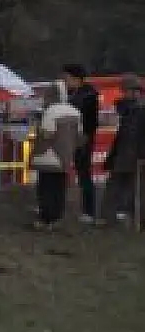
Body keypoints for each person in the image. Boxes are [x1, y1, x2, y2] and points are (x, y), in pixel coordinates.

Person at [30, 81, 85, 230]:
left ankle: (45, 218)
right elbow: (80, 138)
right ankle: (56, 218)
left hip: (48, 156)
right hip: (66, 158)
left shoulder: (50, 111)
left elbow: (47, 134)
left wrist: (38, 129)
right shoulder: (76, 112)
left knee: (45, 188)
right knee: (59, 188)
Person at [62, 64, 101, 224]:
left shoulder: (89, 95)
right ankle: (54, 205)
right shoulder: (70, 94)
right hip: (69, 136)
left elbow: (91, 121)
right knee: (62, 170)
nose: (65, 81)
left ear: (75, 78)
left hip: (83, 138)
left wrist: (84, 138)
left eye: (67, 78)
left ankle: (89, 211)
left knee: (84, 173)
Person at [102, 73, 143, 226]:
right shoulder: (128, 108)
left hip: (134, 153)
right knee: (117, 185)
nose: (124, 94)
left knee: (133, 188)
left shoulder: (138, 109)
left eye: (126, 91)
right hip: (124, 152)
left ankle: (129, 217)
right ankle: (112, 216)